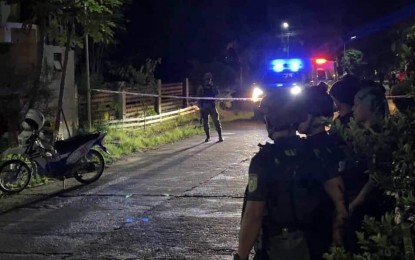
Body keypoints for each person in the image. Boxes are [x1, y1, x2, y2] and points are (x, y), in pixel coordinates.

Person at [235, 88, 347, 260]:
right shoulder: (316, 152)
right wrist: (337, 244)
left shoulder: (264, 161)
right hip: (318, 246)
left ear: (269, 120)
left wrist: (241, 257)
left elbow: (254, 214)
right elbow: (340, 202)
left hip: (279, 248)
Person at [299, 86, 348, 259]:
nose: (298, 118)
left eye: (303, 113)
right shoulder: (324, 144)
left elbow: (340, 201)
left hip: (320, 234)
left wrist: (337, 240)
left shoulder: (320, 149)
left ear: (318, 117)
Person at [196, 72, 223, 142]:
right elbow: (199, 98)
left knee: (216, 122)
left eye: (209, 79)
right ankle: (207, 136)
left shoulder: (213, 86)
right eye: (207, 79)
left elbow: (217, 93)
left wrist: (212, 86)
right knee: (205, 123)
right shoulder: (201, 87)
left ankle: (220, 136)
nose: (208, 80)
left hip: (211, 106)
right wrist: (200, 107)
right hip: (204, 107)